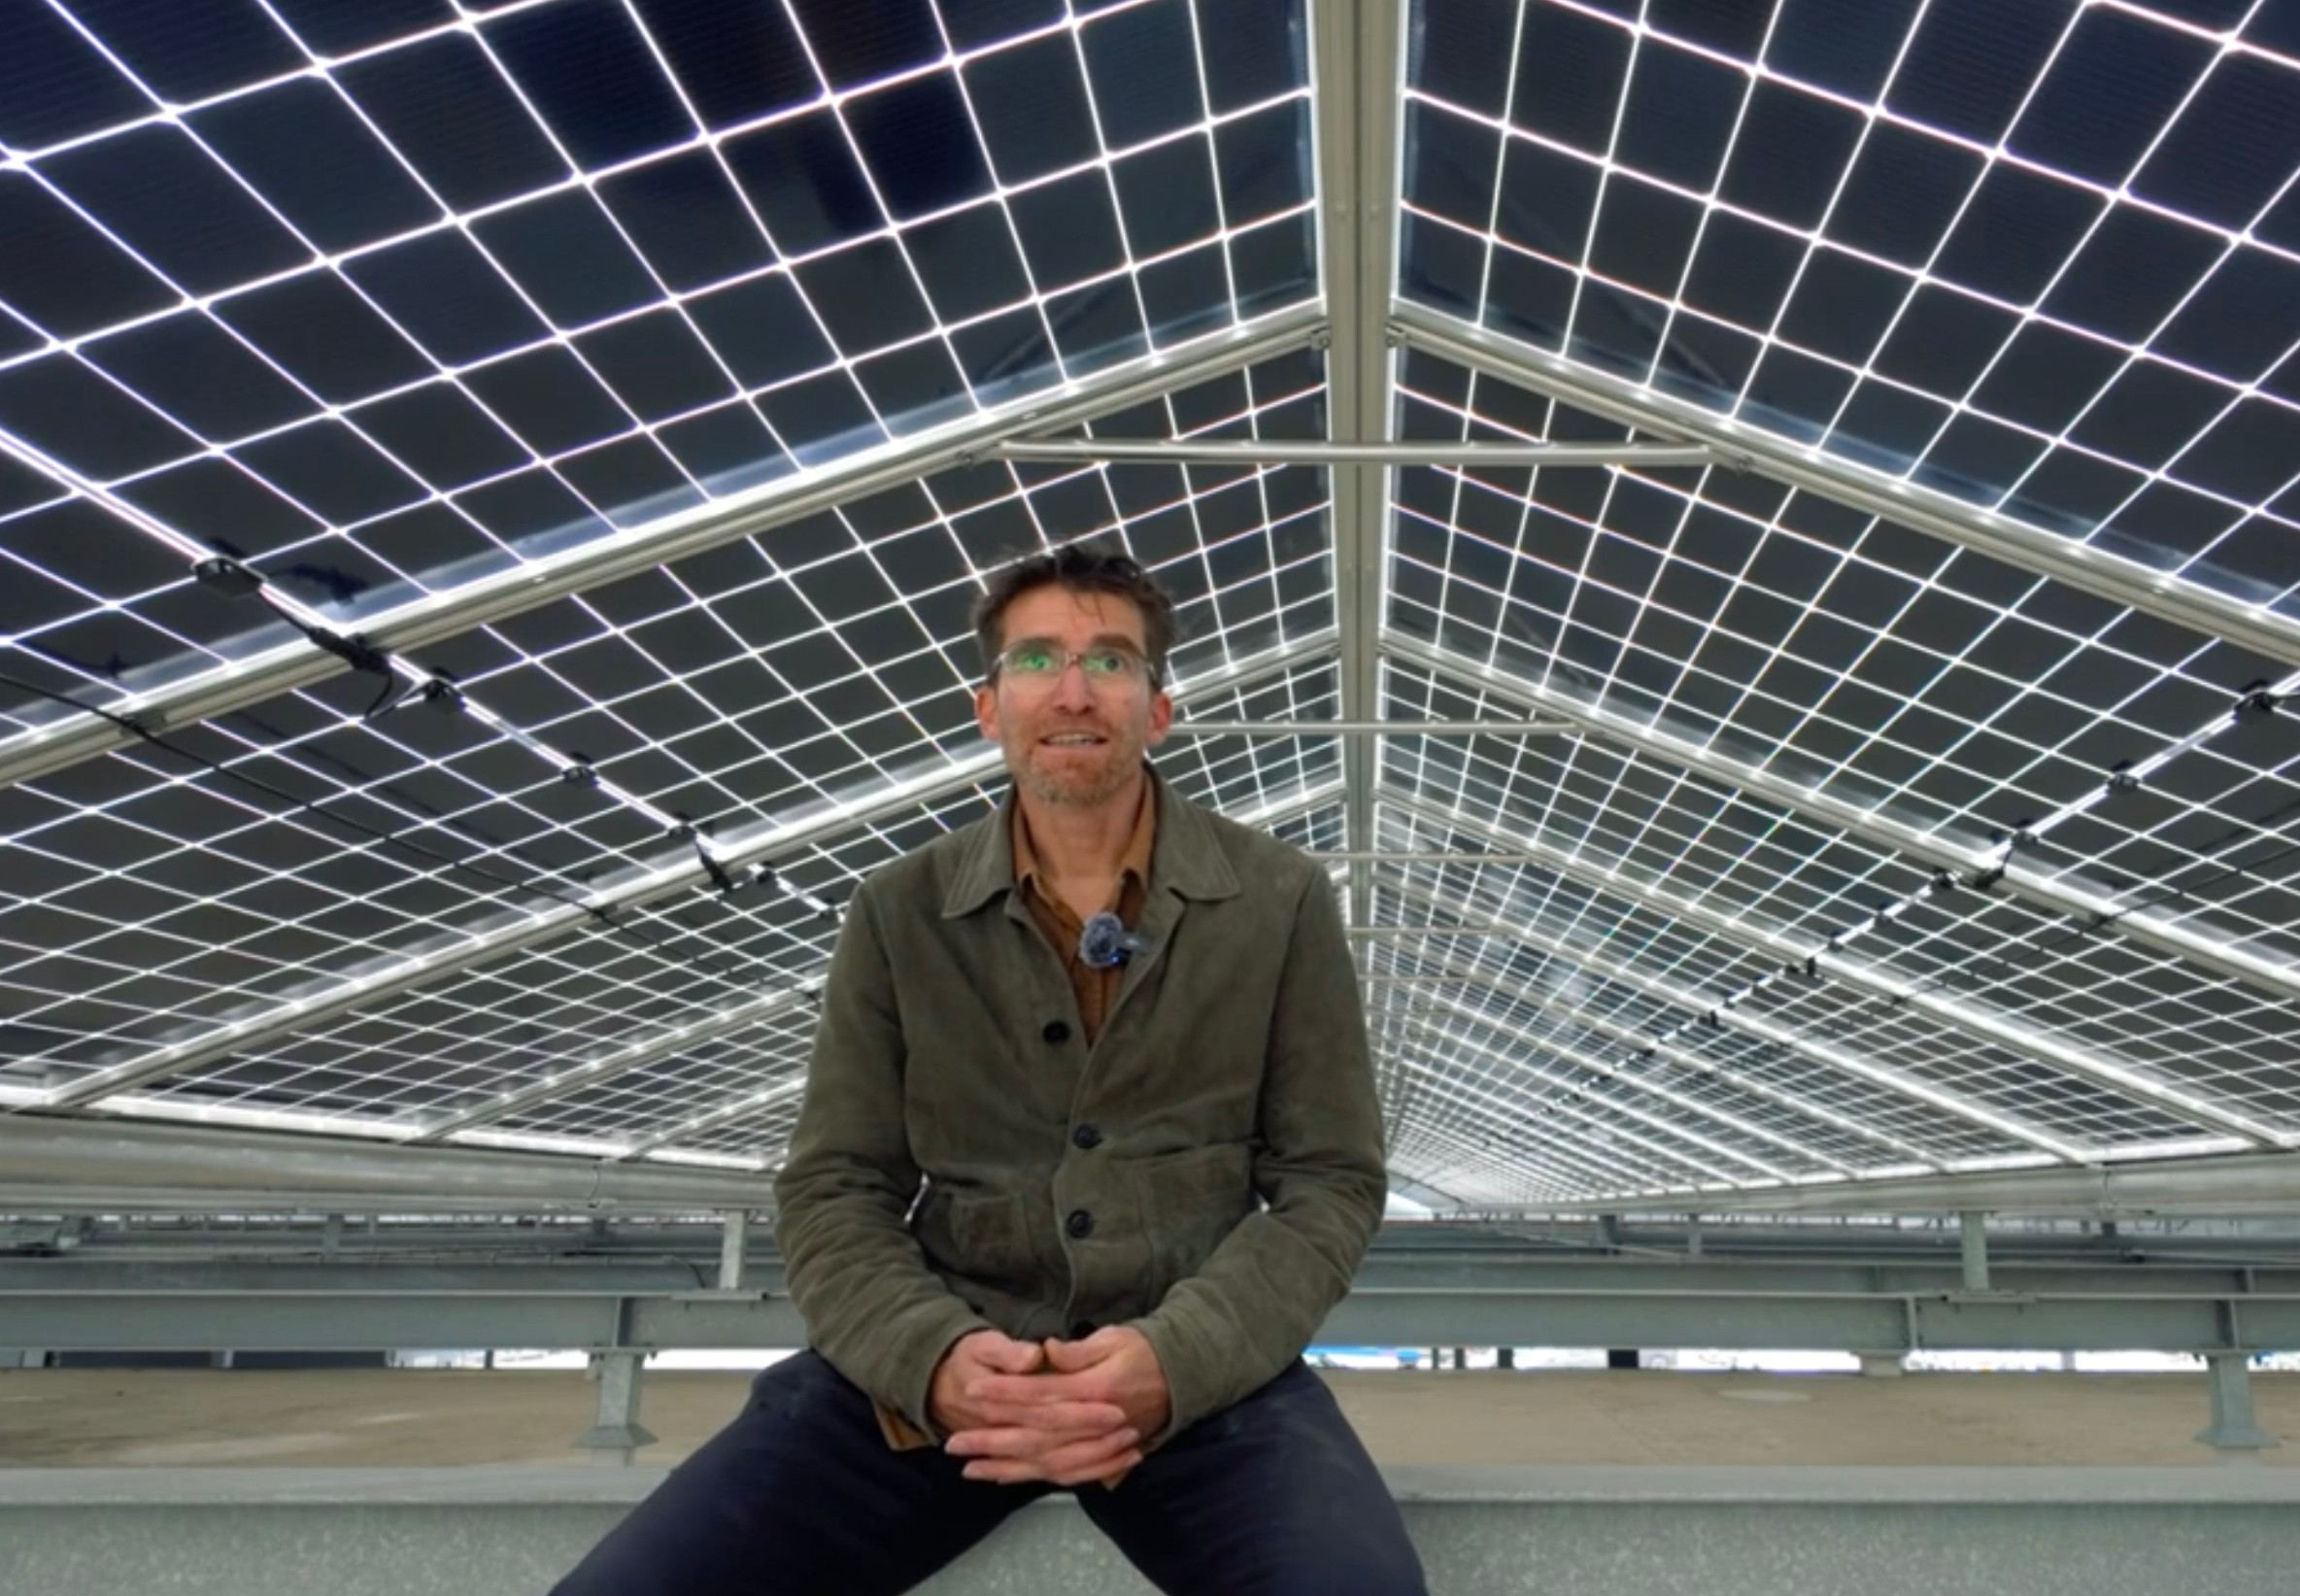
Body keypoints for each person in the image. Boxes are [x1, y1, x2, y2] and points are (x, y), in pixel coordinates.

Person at [551, 543, 1427, 1596]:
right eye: (1036, 660)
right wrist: (932, 1357)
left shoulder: (1276, 897)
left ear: (1157, 710)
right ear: (988, 706)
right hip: (938, 1374)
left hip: (1200, 1380)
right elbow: (836, 1181)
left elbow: (1329, 1177)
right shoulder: (900, 909)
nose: (1073, 691)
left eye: (1111, 661)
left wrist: (1176, 1357)